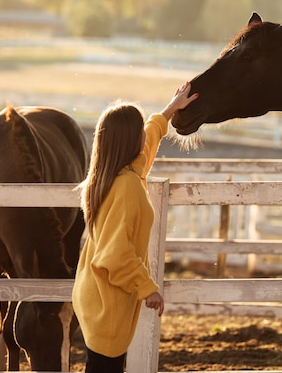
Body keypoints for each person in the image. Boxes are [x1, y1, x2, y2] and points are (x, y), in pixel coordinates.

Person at [72, 82, 199, 373]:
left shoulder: (109, 175)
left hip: (94, 295)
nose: (146, 133)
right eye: (140, 128)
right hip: (110, 307)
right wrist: (147, 289)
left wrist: (169, 110)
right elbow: (115, 255)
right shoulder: (128, 185)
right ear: (131, 140)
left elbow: (150, 141)